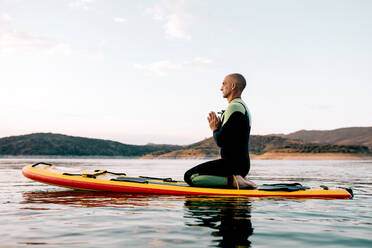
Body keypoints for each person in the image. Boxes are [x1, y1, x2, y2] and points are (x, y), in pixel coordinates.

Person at [184, 73, 256, 189]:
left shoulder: (234, 107)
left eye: (224, 84)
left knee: (190, 176)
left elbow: (221, 141)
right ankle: (237, 179)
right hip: (241, 165)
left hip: (233, 165)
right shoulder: (242, 107)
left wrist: (214, 128)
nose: (221, 88)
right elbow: (231, 137)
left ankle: (234, 181)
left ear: (233, 86)